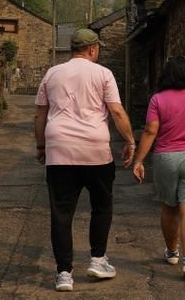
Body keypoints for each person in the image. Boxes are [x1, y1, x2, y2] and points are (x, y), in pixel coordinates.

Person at [35, 28, 136, 292]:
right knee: (101, 206)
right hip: (95, 151)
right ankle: (98, 260)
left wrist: (42, 146)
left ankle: (64, 274)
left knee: (61, 213)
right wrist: (130, 141)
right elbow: (116, 111)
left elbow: (40, 115)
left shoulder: (52, 74)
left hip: (60, 151)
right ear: (93, 49)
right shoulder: (103, 74)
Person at [130, 57, 185, 281]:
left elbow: (150, 131)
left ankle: (172, 252)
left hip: (165, 158)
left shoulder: (158, 99)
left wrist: (139, 160)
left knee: (169, 208)